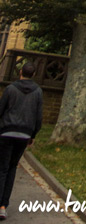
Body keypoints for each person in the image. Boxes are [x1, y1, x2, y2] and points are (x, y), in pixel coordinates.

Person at [0, 62, 43, 219]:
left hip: (6, 132)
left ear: (20, 73)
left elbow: (1, 109)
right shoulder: (38, 92)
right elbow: (38, 117)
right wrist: (33, 135)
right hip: (24, 134)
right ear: (34, 74)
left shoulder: (10, 89)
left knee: (2, 168)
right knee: (12, 168)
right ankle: (3, 206)